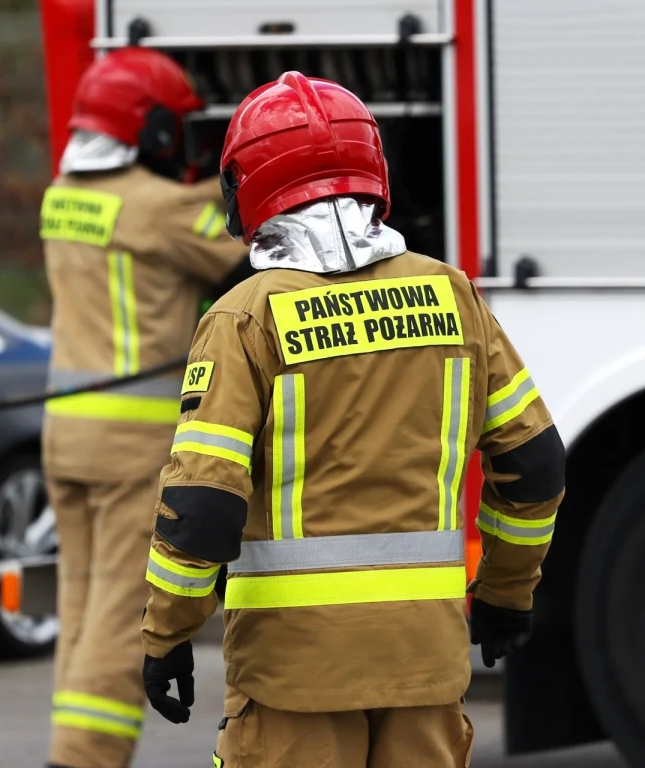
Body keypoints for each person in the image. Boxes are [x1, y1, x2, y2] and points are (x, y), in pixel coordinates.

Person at [138, 71, 565, 768]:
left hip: (292, 675)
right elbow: (535, 464)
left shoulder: (244, 317)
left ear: (247, 188)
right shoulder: (451, 294)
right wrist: (506, 592)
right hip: (426, 669)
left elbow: (202, 504)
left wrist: (167, 633)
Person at [39, 46, 250, 768]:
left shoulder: (62, 195)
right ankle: (85, 758)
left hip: (66, 436)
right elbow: (252, 259)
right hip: (130, 445)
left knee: (80, 605)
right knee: (122, 614)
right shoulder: (160, 208)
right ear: (154, 131)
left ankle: (69, 745)